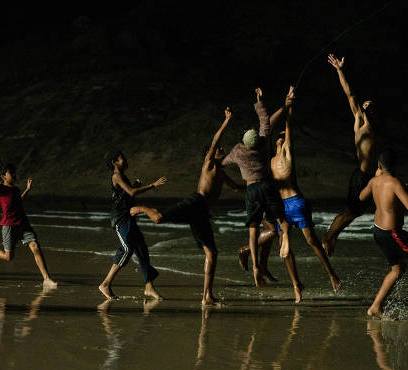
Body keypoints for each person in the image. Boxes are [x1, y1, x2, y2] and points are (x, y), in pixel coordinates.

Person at [130, 107, 244, 305]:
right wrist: (226, 121)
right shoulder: (209, 163)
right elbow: (216, 139)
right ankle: (140, 208)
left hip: (202, 213)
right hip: (194, 203)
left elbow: (237, 188)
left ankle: (206, 296)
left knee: (212, 253)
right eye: (219, 149)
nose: (222, 150)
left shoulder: (223, 174)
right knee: (158, 219)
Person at [239, 86, 342, 302]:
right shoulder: (266, 160)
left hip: (296, 203)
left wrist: (289, 107)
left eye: (283, 136)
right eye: (279, 136)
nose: (280, 136)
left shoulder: (286, 153)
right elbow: (264, 132)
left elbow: (288, 128)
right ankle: (297, 286)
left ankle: (332, 276)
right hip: (280, 206)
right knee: (283, 247)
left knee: (312, 242)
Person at [222, 88, 293, 286]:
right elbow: (265, 121)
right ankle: (271, 246)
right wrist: (260, 101)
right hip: (267, 187)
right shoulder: (263, 143)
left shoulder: (237, 151)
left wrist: (215, 161)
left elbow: (223, 162)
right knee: (278, 224)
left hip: (251, 191)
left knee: (254, 229)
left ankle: (257, 266)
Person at [359, 150, 408, 322]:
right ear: (395, 166)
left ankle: (375, 307)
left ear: (379, 166)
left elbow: (361, 196)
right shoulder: (395, 183)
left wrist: (375, 176)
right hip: (393, 234)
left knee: (398, 269)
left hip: (378, 231)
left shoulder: (374, 181)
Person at [322, 54, 381, 257]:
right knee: (350, 212)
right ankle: (328, 238)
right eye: (366, 104)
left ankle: (332, 237)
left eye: (369, 104)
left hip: (366, 178)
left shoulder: (373, 129)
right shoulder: (363, 125)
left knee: (354, 213)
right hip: (361, 178)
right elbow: (349, 94)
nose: (366, 104)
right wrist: (339, 70)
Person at [98, 151, 167, 301]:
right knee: (128, 248)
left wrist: (134, 186)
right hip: (120, 219)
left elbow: (127, 195)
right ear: (114, 162)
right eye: (122, 158)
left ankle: (149, 287)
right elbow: (131, 192)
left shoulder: (122, 177)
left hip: (129, 217)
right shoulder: (116, 176)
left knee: (141, 249)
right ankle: (105, 283)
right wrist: (152, 185)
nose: (126, 159)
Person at [0, 160, 57, 288]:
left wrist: (27, 190)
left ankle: (47, 279)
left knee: (35, 247)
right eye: (11, 173)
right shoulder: (0, 188)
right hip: (9, 225)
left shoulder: (16, 189)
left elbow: (18, 201)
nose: (14, 175)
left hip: (23, 223)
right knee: (9, 257)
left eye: (14, 172)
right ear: (4, 176)